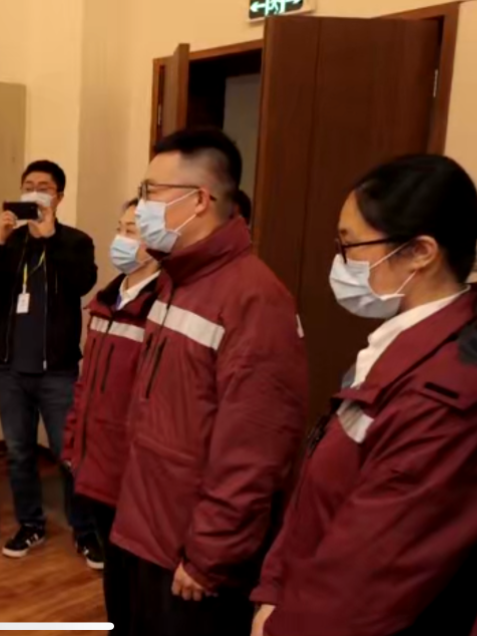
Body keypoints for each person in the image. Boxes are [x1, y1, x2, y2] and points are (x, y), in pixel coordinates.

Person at [250, 154, 477, 636]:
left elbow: (370, 570)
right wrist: (275, 590)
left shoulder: (449, 391)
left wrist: (285, 623)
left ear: (420, 252)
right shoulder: (405, 345)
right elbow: (326, 493)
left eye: (350, 245)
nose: (341, 262)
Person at [109, 129, 307, 635]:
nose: (143, 205)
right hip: (141, 530)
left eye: (152, 191)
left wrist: (209, 555)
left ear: (198, 200)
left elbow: (255, 451)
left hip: (189, 559)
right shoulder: (175, 280)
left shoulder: (255, 299)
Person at [0, 160, 100, 567]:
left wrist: (51, 239)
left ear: (59, 197)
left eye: (44, 186)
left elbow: (82, 283)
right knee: (19, 453)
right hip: (10, 370)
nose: (35, 191)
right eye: (28, 185)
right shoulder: (12, 242)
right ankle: (30, 524)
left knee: (69, 454)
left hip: (56, 370)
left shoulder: (76, 241)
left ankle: (85, 532)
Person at [60, 198, 159, 624]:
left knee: (139, 581)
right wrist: (73, 442)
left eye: (131, 231)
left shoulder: (163, 306)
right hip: (97, 462)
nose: (120, 239)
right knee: (115, 576)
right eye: (120, 228)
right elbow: (86, 383)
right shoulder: (105, 301)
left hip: (134, 472)